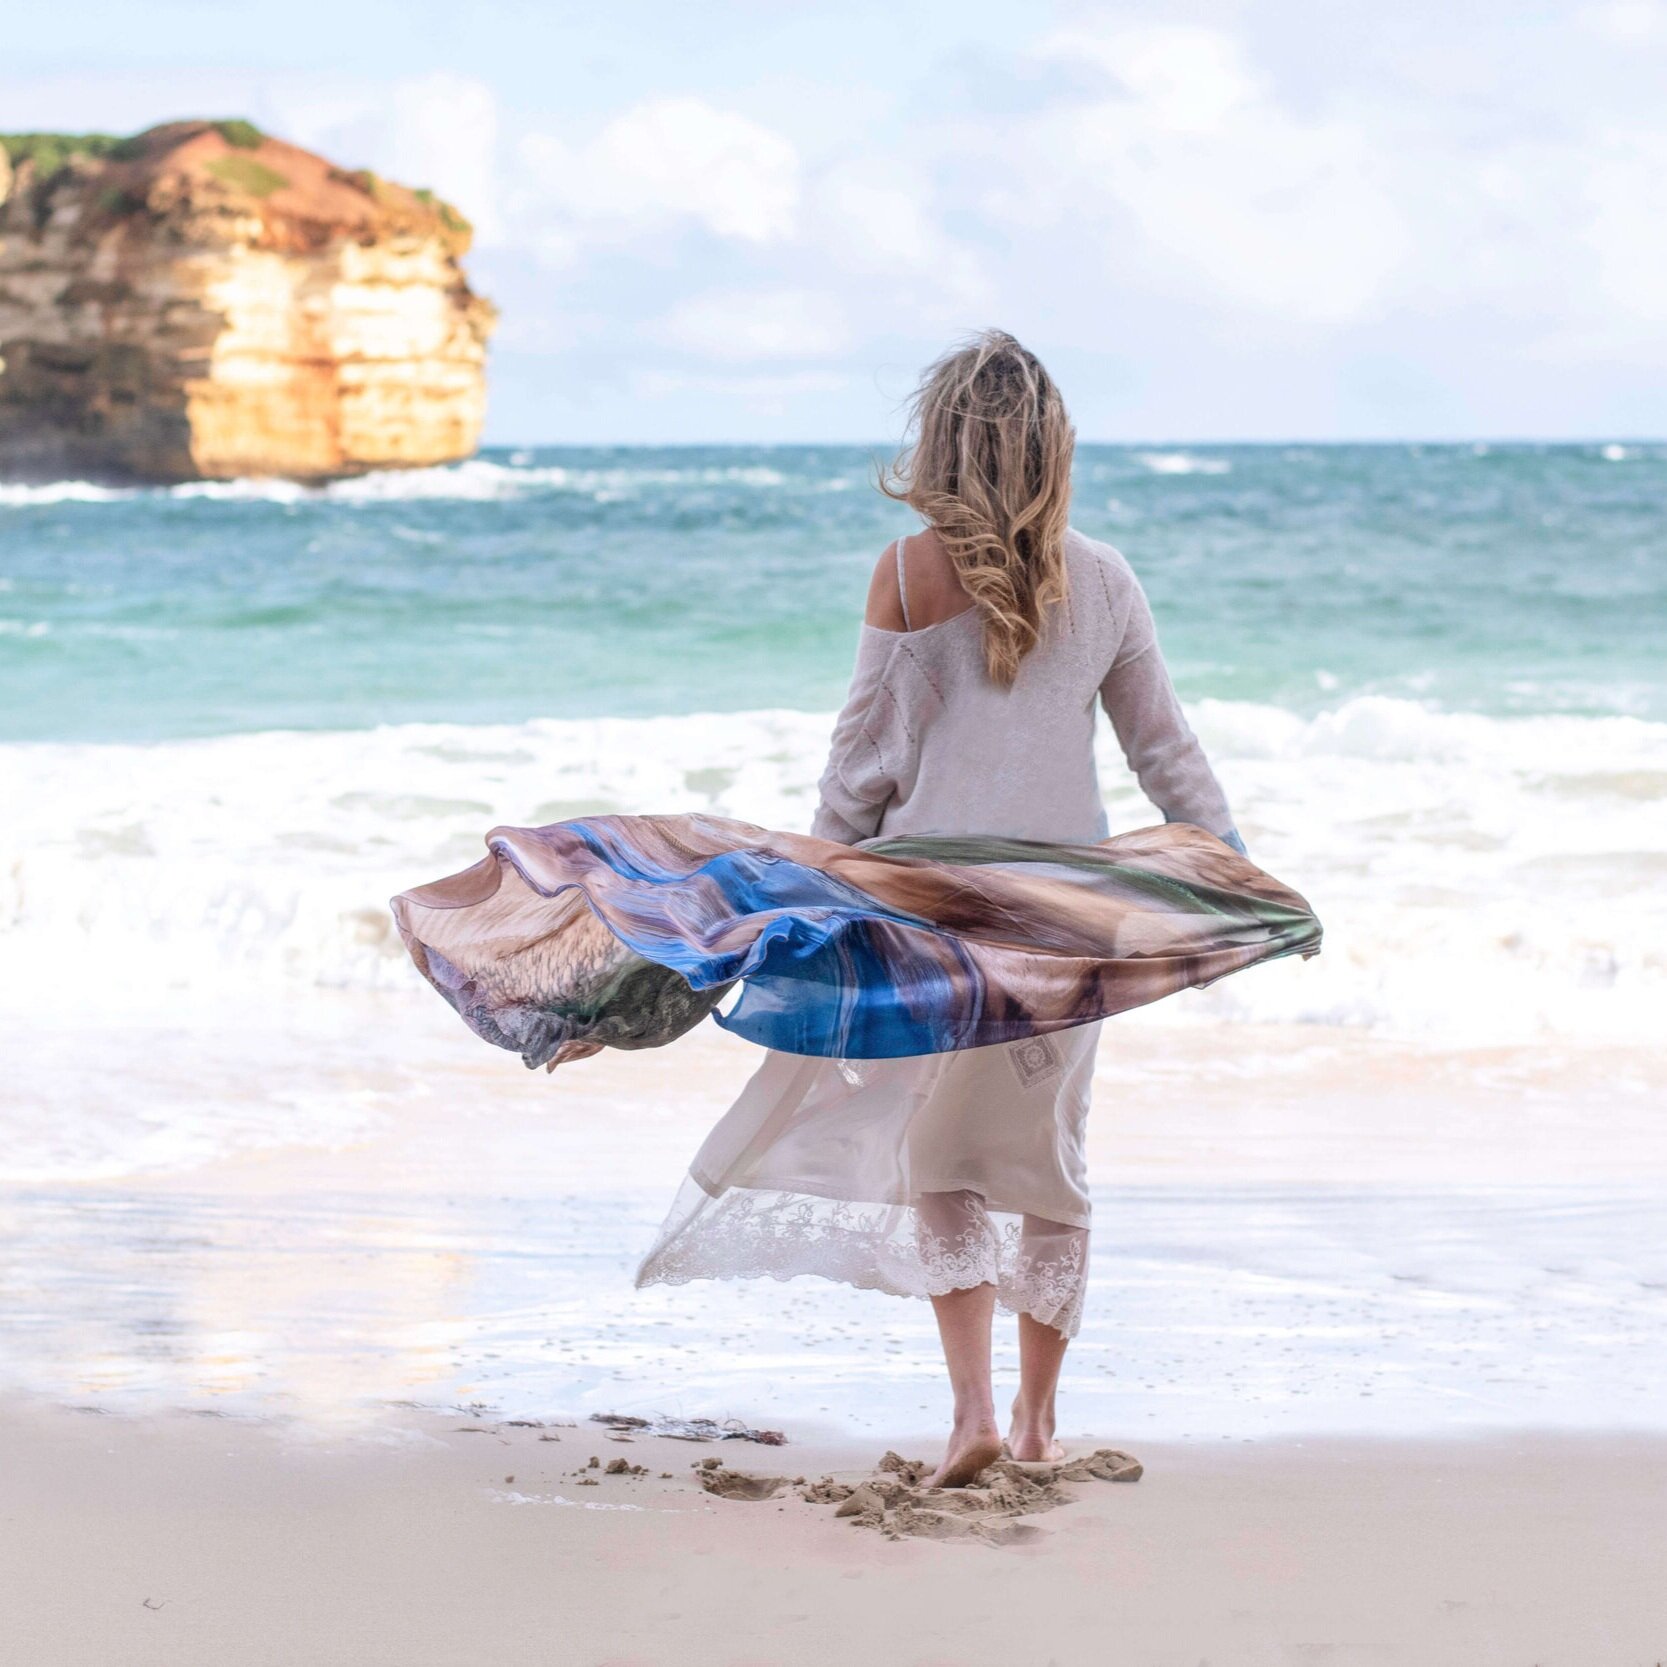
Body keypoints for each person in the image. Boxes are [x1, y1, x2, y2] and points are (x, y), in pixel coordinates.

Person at [633, 329, 1248, 1486]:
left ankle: (968, 1411)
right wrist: (1231, 865)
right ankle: (1033, 1423)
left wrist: (817, 869)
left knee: (946, 1159)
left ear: (944, 444)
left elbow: (861, 760)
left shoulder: (910, 571)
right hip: (1072, 919)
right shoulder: (1105, 576)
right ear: (1051, 448)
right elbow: (1164, 750)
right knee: (1050, 1156)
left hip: (931, 917)